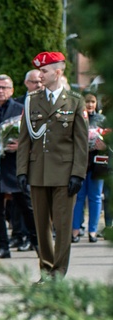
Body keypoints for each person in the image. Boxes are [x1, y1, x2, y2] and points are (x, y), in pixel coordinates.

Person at [17, 52, 88, 279]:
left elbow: (81, 142)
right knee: (41, 226)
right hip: (38, 172)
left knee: (63, 225)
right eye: (40, 71)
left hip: (65, 173)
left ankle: (59, 272)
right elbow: (24, 139)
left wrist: (78, 173)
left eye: (45, 71)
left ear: (58, 72)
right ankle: (46, 270)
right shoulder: (32, 100)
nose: (40, 75)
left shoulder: (75, 100)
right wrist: (22, 170)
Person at [0, 74, 36, 258]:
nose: (1, 91)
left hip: (15, 165)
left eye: (5, 87)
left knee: (26, 205)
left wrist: (21, 145)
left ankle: (36, 241)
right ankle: (3, 246)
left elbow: (34, 135)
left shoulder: (20, 108)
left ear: (12, 90)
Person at [71, 92, 106, 243]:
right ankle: (75, 229)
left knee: (96, 197)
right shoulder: (77, 117)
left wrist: (104, 145)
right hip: (79, 162)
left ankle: (92, 231)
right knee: (78, 197)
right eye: (87, 102)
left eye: (92, 102)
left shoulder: (102, 120)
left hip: (98, 163)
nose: (90, 105)